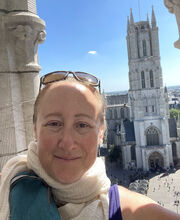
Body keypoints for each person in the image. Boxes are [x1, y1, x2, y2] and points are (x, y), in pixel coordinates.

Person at [0, 71, 180, 220]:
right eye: (54, 123)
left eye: (82, 125)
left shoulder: (129, 211)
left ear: (101, 133)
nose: (68, 142)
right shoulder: (5, 183)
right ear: (35, 130)